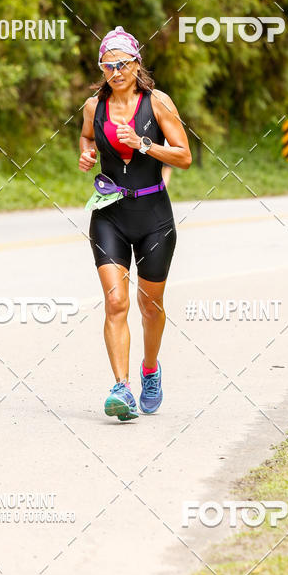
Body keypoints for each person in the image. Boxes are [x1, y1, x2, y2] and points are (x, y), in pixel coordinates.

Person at [79, 26, 192, 421]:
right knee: (115, 302)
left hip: (154, 218)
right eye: (108, 65)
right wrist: (87, 153)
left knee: (149, 306)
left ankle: (150, 370)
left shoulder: (158, 103)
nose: (116, 71)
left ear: (136, 63)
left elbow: (184, 156)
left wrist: (144, 144)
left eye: (122, 63)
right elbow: (87, 138)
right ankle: (121, 389)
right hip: (109, 213)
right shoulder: (94, 106)